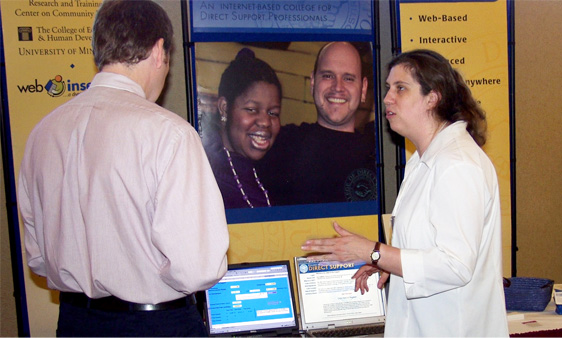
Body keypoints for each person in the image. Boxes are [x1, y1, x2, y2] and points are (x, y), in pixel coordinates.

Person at [17, 1, 229, 336]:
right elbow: (198, 268)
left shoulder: (43, 133)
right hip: (157, 324)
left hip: (74, 323)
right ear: (159, 51)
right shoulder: (169, 135)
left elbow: (39, 259)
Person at [301, 49, 509, 336]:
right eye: (388, 88)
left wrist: (373, 252)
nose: (387, 98)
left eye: (400, 88)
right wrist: (388, 263)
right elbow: (427, 247)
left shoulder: (456, 164)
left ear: (432, 98)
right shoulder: (421, 161)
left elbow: (456, 265)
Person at [256, 41, 377, 205]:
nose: (337, 87)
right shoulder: (281, 143)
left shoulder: (380, 154)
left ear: (363, 90)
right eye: (328, 76)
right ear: (313, 82)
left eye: (348, 78)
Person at [202, 48, 282, 209]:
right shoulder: (206, 176)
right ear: (224, 108)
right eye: (251, 109)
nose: (265, 122)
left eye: (273, 113)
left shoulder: (275, 169)